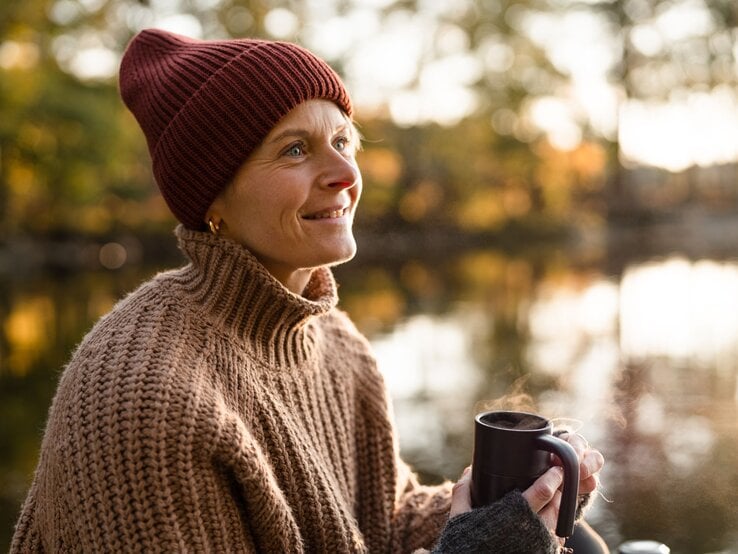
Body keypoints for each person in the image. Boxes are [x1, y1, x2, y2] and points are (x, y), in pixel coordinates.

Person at [10, 28, 604, 553]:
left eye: (343, 141)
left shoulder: (337, 345)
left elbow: (382, 525)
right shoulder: (144, 396)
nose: (344, 174)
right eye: (294, 149)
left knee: (583, 541)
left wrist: (520, 505)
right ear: (211, 200)